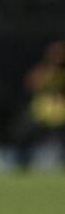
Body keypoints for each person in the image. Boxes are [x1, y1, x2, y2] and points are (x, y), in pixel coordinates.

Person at [14, 40, 65, 170]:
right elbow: (30, 84)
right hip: (41, 113)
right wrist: (46, 69)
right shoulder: (44, 71)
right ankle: (22, 162)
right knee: (22, 131)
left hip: (61, 114)